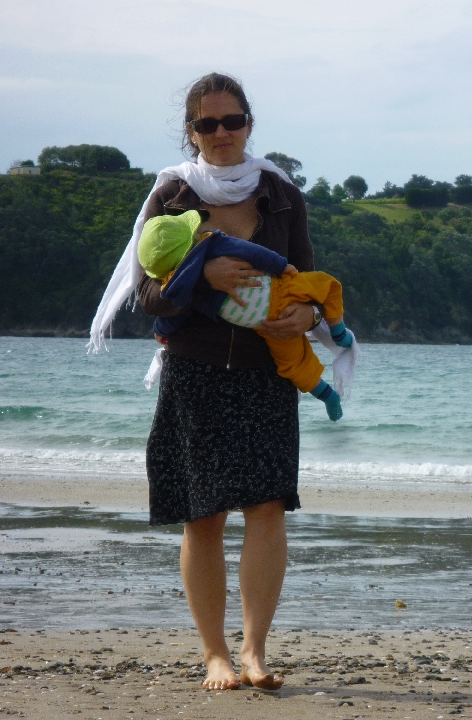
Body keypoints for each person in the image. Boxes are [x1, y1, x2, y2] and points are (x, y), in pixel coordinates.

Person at [87, 72, 320, 691]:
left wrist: (308, 316)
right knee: (204, 515)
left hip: (266, 372)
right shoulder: (171, 195)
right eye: (207, 123)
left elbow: (306, 282)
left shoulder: (283, 195)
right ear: (191, 131)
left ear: (249, 124)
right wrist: (203, 277)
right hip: (194, 371)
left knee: (267, 508)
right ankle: (215, 654)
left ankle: (254, 651)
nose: (221, 133)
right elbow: (148, 297)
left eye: (232, 121)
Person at [137, 210, 354, 420]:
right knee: (329, 286)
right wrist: (280, 265)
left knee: (294, 366)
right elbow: (251, 252)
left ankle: (329, 396)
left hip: (265, 325)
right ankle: (339, 333)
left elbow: (175, 316)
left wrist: (160, 329)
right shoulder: (212, 243)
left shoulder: (178, 288)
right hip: (282, 291)